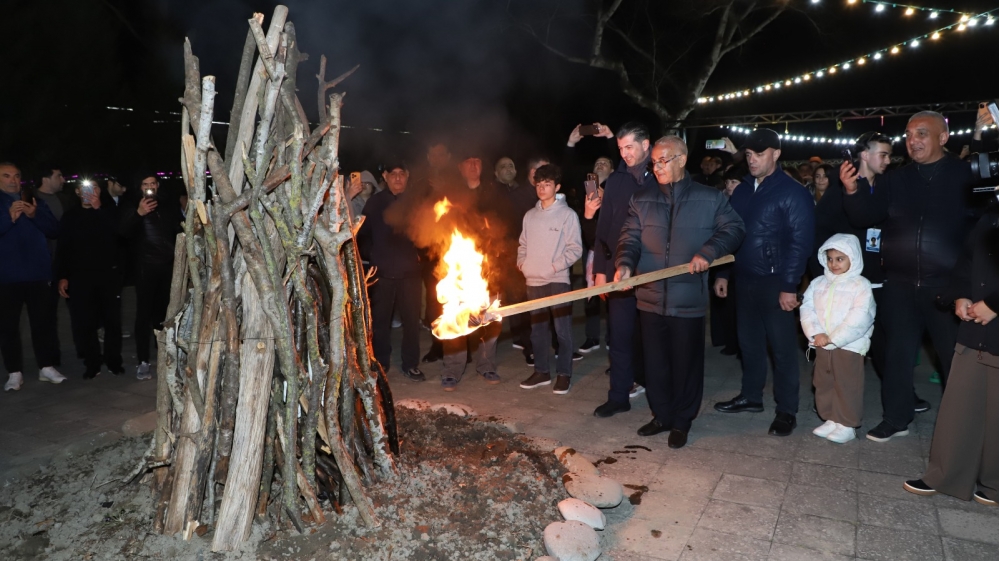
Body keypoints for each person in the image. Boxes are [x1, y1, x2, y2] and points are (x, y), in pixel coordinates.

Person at [840, 111, 983, 442]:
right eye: (908, 134)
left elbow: (981, 231)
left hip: (948, 287)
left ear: (943, 138)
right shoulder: (896, 179)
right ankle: (896, 418)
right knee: (897, 357)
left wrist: (970, 284)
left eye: (922, 133)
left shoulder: (965, 176)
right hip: (900, 285)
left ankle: (963, 429)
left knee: (953, 360)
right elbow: (865, 216)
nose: (913, 140)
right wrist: (852, 191)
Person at [615, 136, 745, 446]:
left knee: (686, 364)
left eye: (663, 161)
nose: (657, 167)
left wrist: (708, 252)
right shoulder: (641, 199)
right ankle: (662, 415)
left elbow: (735, 228)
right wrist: (624, 265)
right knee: (655, 364)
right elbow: (629, 238)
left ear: (682, 160)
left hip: (687, 299)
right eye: (654, 162)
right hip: (649, 298)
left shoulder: (709, 198)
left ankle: (683, 420)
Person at [714, 128, 815, 437]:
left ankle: (786, 410)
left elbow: (801, 243)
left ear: (776, 154)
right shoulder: (742, 190)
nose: (752, 160)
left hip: (775, 282)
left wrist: (789, 285)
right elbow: (731, 234)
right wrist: (723, 272)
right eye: (748, 154)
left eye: (759, 154)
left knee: (782, 350)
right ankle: (751, 396)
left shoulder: (793, 192)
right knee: (749, 343)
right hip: (744, 279)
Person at [903, 204, 997, 506]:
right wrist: (960, 295)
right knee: (960, 406)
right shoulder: (990, 216)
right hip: (976, 329)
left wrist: (995, 304)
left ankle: (995, 483)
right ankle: (946, 476)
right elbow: (966, 264)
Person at [592, 122, 657, 417]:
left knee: (652, 338)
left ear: (646, 145)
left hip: (653, 274)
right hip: (618, 272)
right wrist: (600, 271)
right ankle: (618, 395)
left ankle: (658, 394)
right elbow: (604, 227)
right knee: (619, 336)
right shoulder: (616, 181)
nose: (625, 154)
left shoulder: (661, 176)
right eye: (620, 148)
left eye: (629, 147)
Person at [437, 150, 505, 391]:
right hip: (458, 269)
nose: (474, 165)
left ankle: (486, 365)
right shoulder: (451, 195)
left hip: (489, 267)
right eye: (469, 161)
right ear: (460, 167)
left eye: (478, 161)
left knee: (489, 319)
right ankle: (452, 369)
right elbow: (441, 231)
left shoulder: (493, 193)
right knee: (456, 316)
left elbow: (505, 226)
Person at [800, 234, 876, 444]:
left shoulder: (860, 285)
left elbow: (861, 316)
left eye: (840, 259)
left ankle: (847, 423)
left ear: (853, 258)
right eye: (830, 259)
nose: (834, 264)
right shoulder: (818, 283)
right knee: (824, 381)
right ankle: (831, 417)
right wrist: (815, 333)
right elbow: (807, 309)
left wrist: (834, 338)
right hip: (822, 342)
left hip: (849, 345)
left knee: (847, 383)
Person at [517, 164, 583, 395]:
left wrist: (553, 268)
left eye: (547, 184)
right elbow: (523, 244)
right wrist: (522, 264)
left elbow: (575, 249)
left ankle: (564, 374)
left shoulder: (567, 215)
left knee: (562, 330)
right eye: (539, 184)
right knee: (538, 331)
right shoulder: (530, 216)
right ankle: (541, 371)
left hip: (558, 280)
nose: (542, 188)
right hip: (533, 281)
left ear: (557, 187)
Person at [0, 162, 65, 391]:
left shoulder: (35, 201)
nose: (13, 180)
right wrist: (9, 218)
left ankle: (46, 366)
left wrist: (34, 214)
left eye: (16, 175)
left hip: (38, 274)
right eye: (6, 176)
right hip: (7, 277)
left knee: (42, 323)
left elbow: (54, 230)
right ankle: (14, 372)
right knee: (9, 327)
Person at [358, 161, 424, 382]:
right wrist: (373, 254)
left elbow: (429, 232)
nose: (397, 178)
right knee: (380, 322)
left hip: (410, 274)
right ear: (385, 176)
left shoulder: (416, 203)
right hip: (382, 273)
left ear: (407, 175)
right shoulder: (375, 203)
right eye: (393, 174)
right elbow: (362, 235)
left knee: (411, 322)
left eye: (401, 173)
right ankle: (381, 363)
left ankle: (410, 363)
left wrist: (420, 256)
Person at [55, 181, 124, 378]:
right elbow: (63, 248)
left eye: (94, 188)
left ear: (99, 191)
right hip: (80, 277)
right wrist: (62, 276)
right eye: (85, 188)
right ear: (78, 191)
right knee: (85, 322)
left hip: (108, 275)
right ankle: (92, 362)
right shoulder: (70, 216)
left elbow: (118, 235)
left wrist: (99, 209)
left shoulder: (109, 212)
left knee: (112, 321)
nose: (90, 192)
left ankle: (113, 360)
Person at [120, 174, 183, 380]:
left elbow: (177, 228)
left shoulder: (167, 203)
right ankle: (143, 360)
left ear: (158, 185)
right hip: (144, 267)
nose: (149, 188)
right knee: (143, 314)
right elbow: (122, 232)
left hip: (167, 266)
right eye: (145, 184)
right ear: (140, 187)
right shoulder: (131, 204)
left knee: (165, 313)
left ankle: (165, 354)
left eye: (153, 184)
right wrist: (138, 213)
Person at [494, 155, 538, 359]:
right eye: (503, 166)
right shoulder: (492, 193)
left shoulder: (523, 192)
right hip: (503, 251)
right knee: (512, 296)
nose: (508, 169)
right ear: (496, 173)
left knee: (524, 295)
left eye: (511, 165)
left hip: (524, 249)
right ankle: (519, 336)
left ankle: (525, 337)